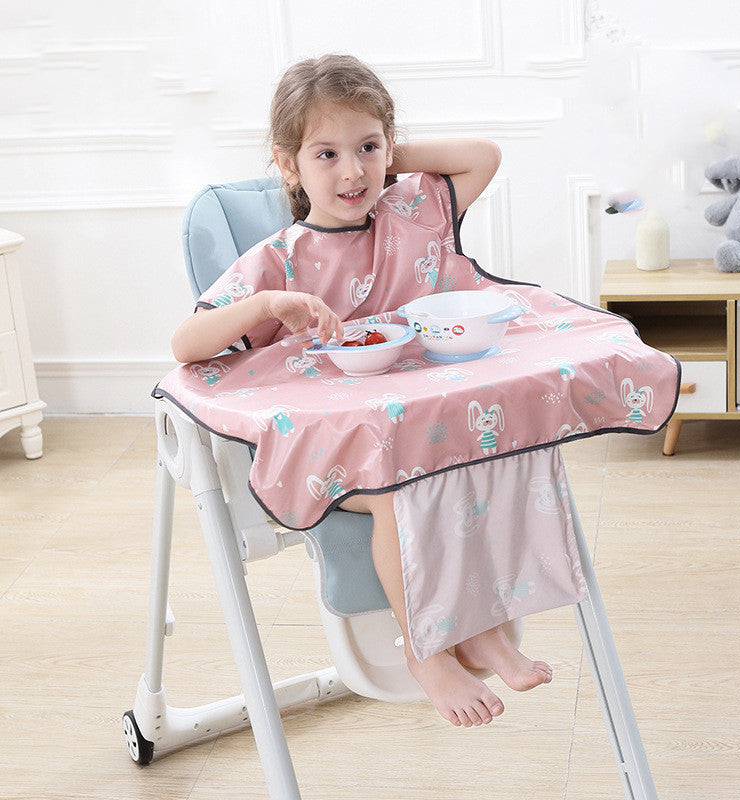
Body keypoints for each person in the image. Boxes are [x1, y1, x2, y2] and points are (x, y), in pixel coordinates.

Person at [171, 53, 552, 728]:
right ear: (288, 165)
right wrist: (266, 305)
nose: (351, 172)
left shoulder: (411, 213)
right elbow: (187, 346)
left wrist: (384, 150)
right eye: (327, 154)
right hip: (336, 447)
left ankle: (481, 627)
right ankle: (427, 649)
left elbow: (482, 156)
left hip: (421, 424)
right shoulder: (279, 261)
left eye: (367, 149)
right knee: (408, 488)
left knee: (484, 456)